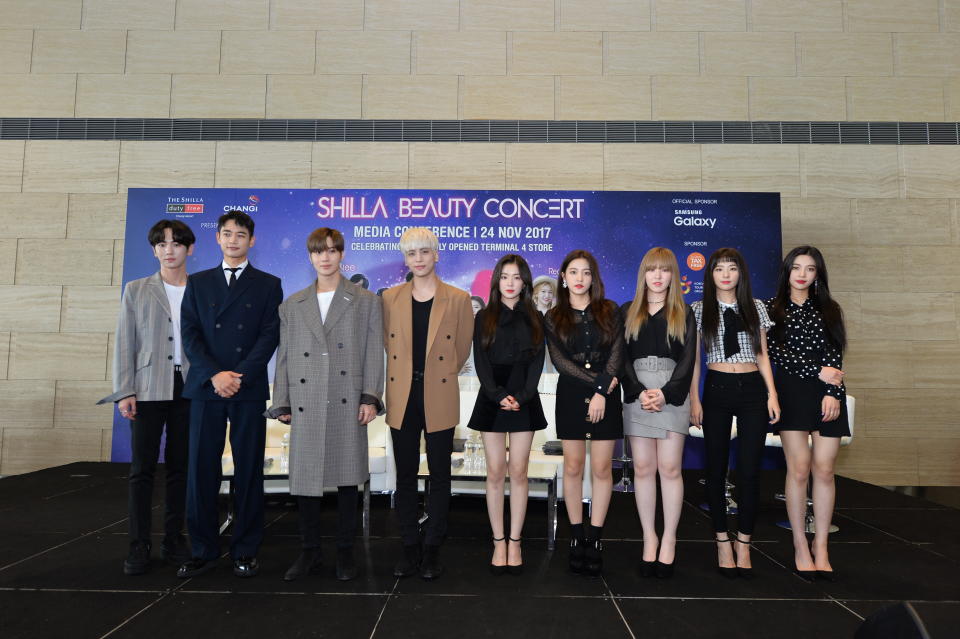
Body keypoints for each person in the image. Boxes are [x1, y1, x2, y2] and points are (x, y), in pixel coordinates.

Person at [266, 228, 384, 582]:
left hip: (346, 399)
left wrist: (370, 397)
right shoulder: (292, 304)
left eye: (332, 251)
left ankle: (345, 553)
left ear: (342, 255)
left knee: (348, 479)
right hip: (307, 400)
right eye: (319, 252)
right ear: (310, 257)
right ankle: (310, 552)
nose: (326, 258)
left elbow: (374, 353)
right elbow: (284, 357)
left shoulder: (365, 301)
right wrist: (281, 400)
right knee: (305, 482)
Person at [177, 210, 283, 579]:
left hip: (247, 386)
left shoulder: (269, 284)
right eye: (227, 233)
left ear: (251, 240)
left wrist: (239, 375)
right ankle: (203, 548)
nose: (233, 239)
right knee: (201, 470)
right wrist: (214, 375)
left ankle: (246, 548)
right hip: (207, 388)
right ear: (217, 239)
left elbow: (270, 335)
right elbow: (189, 335)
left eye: (241, 234)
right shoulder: (199, 282)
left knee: (249, 470)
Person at [99, 219, 196, 575]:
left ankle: (174, 540)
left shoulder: (201, 289)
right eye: (162, 244)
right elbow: (126, 342)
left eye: (176, 243)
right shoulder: (136, 289)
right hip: (148, 386)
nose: (169, 250)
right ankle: (138, 544)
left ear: (190, 249)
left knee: (180, 469)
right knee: (141, 470)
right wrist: (125, 389)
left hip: (190, 387)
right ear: (154, 250)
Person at [382, 227, 473, 580]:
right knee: (404, 475)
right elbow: (390, 348)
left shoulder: (459, 298)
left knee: (439, 475)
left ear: (436, 254)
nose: (418, 259)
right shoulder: (389, 298)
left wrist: (439, 374)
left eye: (424, 252)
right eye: (411, 253)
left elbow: (461, 349)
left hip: (439, 391)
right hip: (402, 394)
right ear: (405, 258)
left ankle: (433, 547)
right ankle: (409, 546)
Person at [690, 247, 780, 580]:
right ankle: (721, 540)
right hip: (716, 389)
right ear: (710, 274)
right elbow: (695, 360)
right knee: (715, 470)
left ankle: (744, 541)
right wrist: (694, 399)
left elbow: (763, 354)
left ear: (741, 273)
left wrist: (772, 394)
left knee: (750, 470)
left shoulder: (755, 307)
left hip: (753, 389)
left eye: (732, 268)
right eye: (719, 269)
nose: (726, 274)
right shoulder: (699, 309)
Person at [766, 246, 848, 582]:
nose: (802, 274)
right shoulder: (772, 310)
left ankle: (822, 545)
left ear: (818, 274)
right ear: (786, 271)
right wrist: (818, 372)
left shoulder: (829, 309)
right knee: (799, 469)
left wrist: (834, 392)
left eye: (810, 269)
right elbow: (775, 353)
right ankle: (800, 543)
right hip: (791, 394)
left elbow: (836, 358)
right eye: (796, 267)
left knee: (825, 470)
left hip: (826, 396)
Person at [544, 249, 623, 578]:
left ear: (594, 277)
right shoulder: (553, 316)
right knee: (574, 467)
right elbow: (562, 363)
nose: (579, 278)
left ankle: (595, 538)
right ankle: (576, 538)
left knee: (603, 469)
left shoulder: (610, 310)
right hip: (573, 394)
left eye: (586, 272)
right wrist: (600, 386)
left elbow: (618, 351)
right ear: (563, 276)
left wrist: (603, 391)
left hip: (607, 394)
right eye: (573, 272)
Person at [467, 254, 546, 576]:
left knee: (519, 472)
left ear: (524, 282)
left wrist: (523, 396)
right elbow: (481, 363)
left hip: (525, 398)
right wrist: (498, 395)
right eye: (505, 277)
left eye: (516, 278)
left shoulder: (536, 317)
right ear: (497, 281)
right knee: (496, 472)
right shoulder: (483, 317)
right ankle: (498, 540)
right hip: (491, 397)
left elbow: (537, 363)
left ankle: (516, 540)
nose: (510, 283)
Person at [620, 247, 696, 579]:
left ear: (673, 275)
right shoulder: (627, 310)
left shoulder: (685, 312)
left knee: (669, 467)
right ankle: (649, 537)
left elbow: (689, 360)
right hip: (637, 392)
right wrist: (638, 391)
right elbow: (619, 358)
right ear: (643, 274)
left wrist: (666, 394)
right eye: (652, 269)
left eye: (664, 270)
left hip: (672, 394)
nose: (657, 276)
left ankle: (669, 539)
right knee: (644, 468)